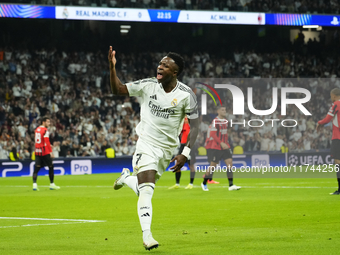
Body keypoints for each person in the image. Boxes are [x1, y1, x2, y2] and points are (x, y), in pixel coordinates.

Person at [108, 46, 199, 250]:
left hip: (167, 150)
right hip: (146, 144)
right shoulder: (148, 85)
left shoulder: (186, 95)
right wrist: (112, 68)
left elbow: (197, 125)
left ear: (174, 72)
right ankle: (147, 236)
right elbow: (118, 89)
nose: (160, 66)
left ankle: (125, 178)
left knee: (143, 189)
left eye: (166, 65)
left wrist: (185, 153)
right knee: (147, 191)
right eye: (160, 63)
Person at [201, 106, 241, 191]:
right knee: (212, 166)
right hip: (216, 147)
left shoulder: (225, 121)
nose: (224, 111)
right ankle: (204, 183)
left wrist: (226, 143)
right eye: (222, 110)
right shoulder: (215, 121)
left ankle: (231, 185)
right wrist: (221, 143)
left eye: (225, 110)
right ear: (218, 111)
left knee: (230, 163)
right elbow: (212, 134)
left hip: (225, 147)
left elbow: (225, 134)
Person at [317, 88, 340, 195]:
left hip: (338, 137)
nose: (331, 98)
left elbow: (327, 119)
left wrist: (319, 123)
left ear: (334, 96)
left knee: (338, 162)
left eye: (331, 96)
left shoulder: (335, 104)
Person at [169, 116, 197, 190]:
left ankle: (191, 183)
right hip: (182, 145)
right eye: (184, 119)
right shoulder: (182, 125)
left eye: (186, 119)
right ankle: (177, 183)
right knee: (177, 164)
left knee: (191, 165)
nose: (185, 120)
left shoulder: (192, 126)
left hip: (190, 145)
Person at [33, 116, 60, 191]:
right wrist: (50, 151)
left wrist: (45, 144)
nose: (49, 123)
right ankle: (52, 184)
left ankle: (34, 185)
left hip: (37, 151)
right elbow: (47, 141)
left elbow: (38, 140)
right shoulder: (45, 130)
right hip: (44, 151)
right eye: (48, 122)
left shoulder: (37, 129)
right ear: (43, 122)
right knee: (51, 166)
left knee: (37, 168)